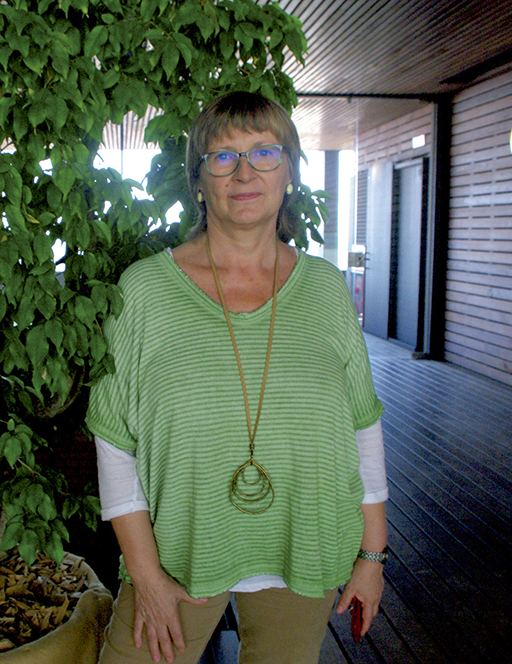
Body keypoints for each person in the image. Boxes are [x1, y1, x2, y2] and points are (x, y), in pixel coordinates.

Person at [85, 91, 388, 664]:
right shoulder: (144, 291)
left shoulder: (326, 289)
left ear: (289, 173)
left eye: (264, 153)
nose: (245, 173)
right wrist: (145, 576)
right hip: (178, 555)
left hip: (306, 548)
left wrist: (373, 557)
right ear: (199, 182)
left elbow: (361, 427)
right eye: (223, 157)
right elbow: (114, 441)